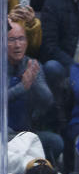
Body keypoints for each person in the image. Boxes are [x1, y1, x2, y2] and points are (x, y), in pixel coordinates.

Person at [7, 22, 61, 163]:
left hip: (26, 134)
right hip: (4, 134)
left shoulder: (32, 65)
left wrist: (34, 84)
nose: (17, 45)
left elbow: (47, 101)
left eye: (21, 39)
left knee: (55, 142)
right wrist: (22, 87)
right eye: (11, 40)